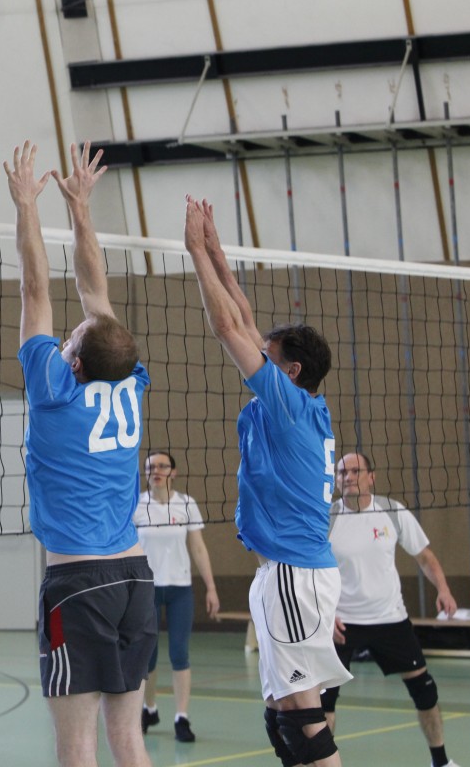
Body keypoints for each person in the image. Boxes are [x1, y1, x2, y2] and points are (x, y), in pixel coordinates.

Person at [183, 196, 350, 767]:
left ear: (291, 371)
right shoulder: (302, 402)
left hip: (292, 574)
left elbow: (228, 325)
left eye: (269, 356)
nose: (259, 355)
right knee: (282, 717)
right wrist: (215, 250)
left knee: (302, 717)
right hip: (290, 573)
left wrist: (192, 252)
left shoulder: (285, 403)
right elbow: (247, 321)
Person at [5, 140, 156, 767]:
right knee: (129, 738)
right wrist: (81, 209)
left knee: (76, 743)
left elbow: (35, 290)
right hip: (134, 577)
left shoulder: (55, 390)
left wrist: (26, 205)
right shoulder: (130, 380)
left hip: (77, 583)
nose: (67, 333)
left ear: (72, 360)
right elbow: (96, 295)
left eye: (70, 340)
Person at [323, 452, 462, 767]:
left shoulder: (392, 511)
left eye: (356, 471)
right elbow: (311, 572)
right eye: (342, 472)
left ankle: (440, 761)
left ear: (371, 477)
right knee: (324, 702)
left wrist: (443, 589)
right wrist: (325, 615)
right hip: (341, 622)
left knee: (424, 690)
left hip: (390, 619)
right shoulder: (325, 518)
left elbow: (424, 556)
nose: (348, 477)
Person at [134, 450, 220, 742]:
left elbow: (198, 547)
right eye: (150, 467)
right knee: (148, 656)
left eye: (162, 466)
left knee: (179, 653)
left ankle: (181, 717)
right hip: (146, 589)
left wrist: (211, 587)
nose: (156, 471)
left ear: (174, 472)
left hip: (180, 589)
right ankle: (149, 708)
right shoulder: (136, 505)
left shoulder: (186, 504)